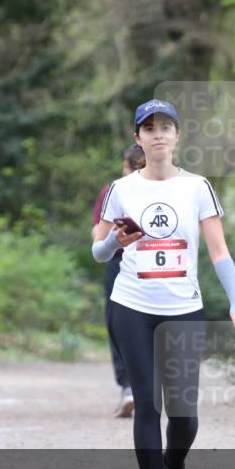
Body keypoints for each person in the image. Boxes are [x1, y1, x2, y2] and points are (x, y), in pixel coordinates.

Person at [92, 99, 235, 469]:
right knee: (148, 406)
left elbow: (219, 252)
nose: (158, 133)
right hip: (132, 307)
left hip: (183, 308)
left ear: (178, 135)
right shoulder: (121, 189)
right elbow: (98, 250)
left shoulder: (197, 187)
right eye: (149, 128)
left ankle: (175, 465)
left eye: (166, 126)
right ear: (138, 138)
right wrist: (117, 244)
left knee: (184, 415)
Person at [91, 144, 145, 417]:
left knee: (118, 325)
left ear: (128, 166)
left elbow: (97, 240)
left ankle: (129, 387)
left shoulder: (113, 190)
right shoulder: (177, 186)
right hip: (164, 266)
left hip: (120, 262)